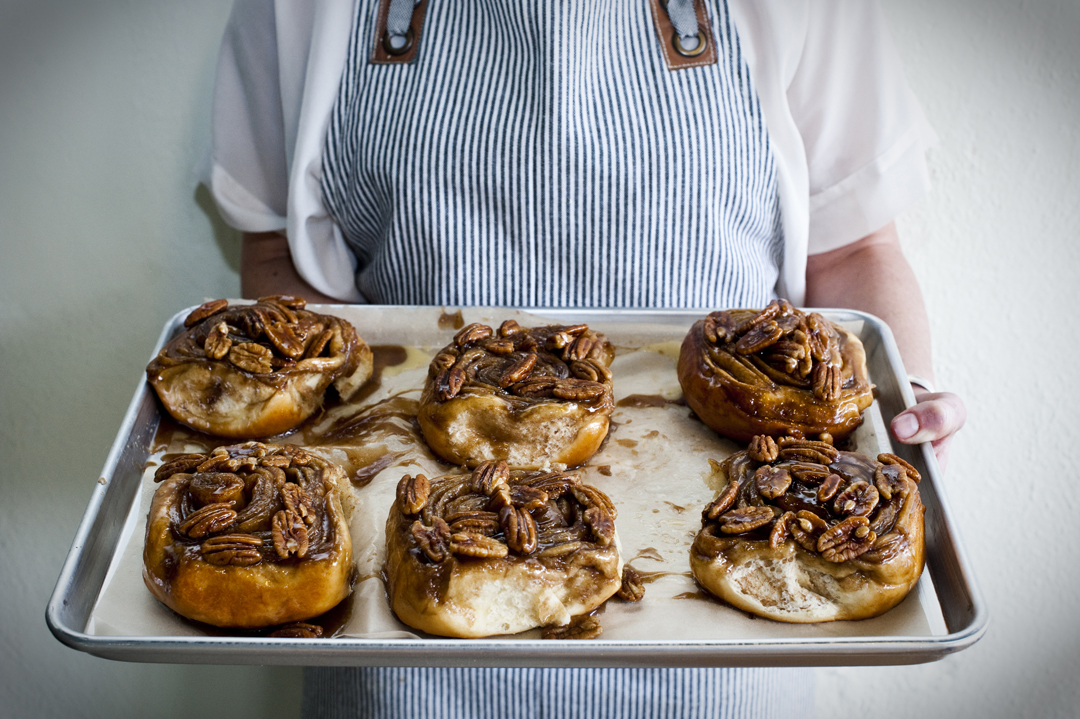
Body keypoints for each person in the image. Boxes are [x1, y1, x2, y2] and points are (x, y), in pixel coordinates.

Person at [207, 0, 967, 716]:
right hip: (399, 637)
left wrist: (909, 403)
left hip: (723, 627)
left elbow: (858, 245)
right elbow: (280, 252)